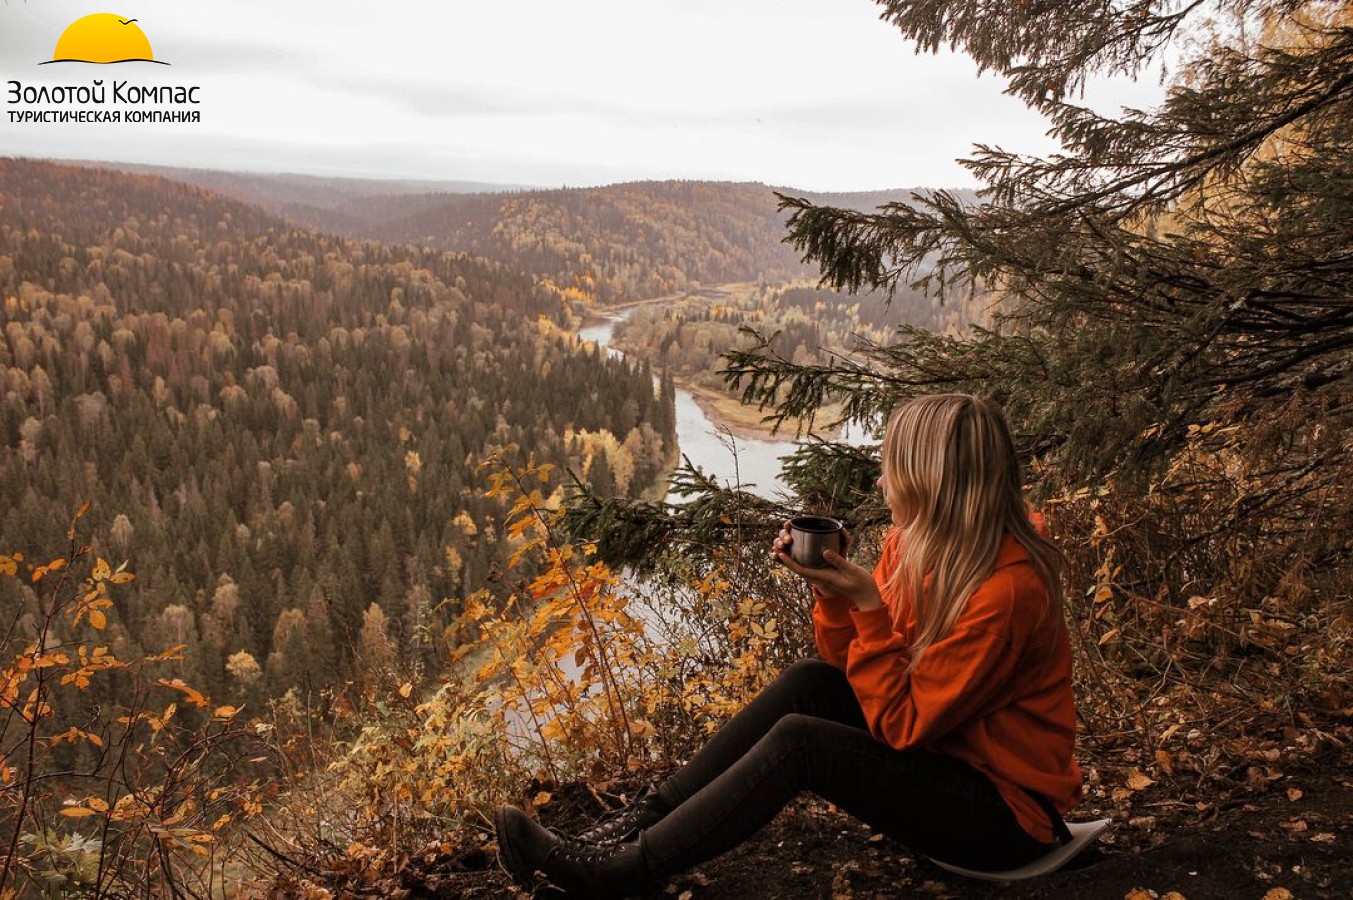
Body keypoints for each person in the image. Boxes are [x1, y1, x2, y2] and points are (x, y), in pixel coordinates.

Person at [495, 394, 1083, 899]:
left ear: (932, 482)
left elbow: (903, 725)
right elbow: (843, 674)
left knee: (804, 745)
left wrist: (869, 607)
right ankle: (632, 825)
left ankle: (621, 871)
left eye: (893, 469)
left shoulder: (1008, 590)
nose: (882, 482)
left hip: (1007, 819)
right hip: (946, 761)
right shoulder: (915, 545)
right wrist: (835, 596)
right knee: (809, 681)